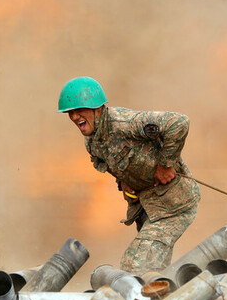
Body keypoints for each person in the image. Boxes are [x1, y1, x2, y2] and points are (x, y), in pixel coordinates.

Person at [58, 76, 200, 275]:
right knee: (151, 270)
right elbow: (114, 163)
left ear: (97, 108)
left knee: (136, 266)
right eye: (70, 113)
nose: (74, 117)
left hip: (173, 205)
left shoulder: (125, 123)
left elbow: (178, 122)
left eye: (79, 110)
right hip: (148, 207)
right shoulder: (92, 141)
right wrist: (124, 182)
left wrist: (165, 165)